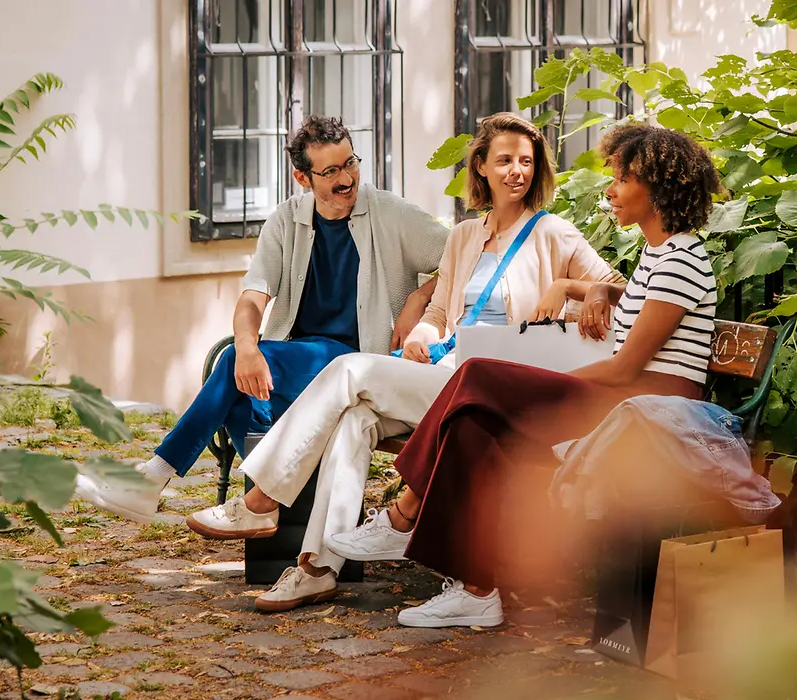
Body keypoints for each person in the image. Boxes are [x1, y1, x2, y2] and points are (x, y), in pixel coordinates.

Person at [180, 113, 617, 612]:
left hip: (494, 389)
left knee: (350, 370)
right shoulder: (465, 237)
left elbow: (617, 289)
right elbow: (439, 311)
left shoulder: (554, 233)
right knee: (354, 418)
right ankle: (317, 568)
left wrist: (570, 287)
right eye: (504, 160)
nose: (516, 170)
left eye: (525, 161)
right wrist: (423, 332)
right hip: (446, 375)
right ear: (481, 167)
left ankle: (263, 500)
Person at [323, 123, 726, 628]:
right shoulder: (659, 256)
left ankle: (405, 514)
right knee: (475, 422)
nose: (610, 190)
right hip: (626, 399)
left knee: (477, 377)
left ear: (660, 188)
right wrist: (581, 288)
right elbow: (630, 302)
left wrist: (548, 368)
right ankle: (476, 590)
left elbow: (627, 367)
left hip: (650, 407)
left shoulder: (682, 259)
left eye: (622, 180)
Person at [74, 116, 447, 522]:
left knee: (234, 363)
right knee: (239, 395)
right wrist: (249, 345)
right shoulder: (286, 220)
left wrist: (419, 297)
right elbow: (253, 297)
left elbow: (466, 258)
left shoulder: (391, 213)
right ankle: (285, 507)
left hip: (357, 363)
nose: (347, 179)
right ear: (303, 179)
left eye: (351, 163)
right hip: (297, 360)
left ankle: (156, 480)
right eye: (331, 171)